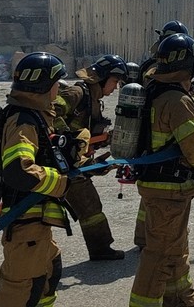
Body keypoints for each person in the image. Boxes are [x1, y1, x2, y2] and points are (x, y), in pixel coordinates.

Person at [129, 33, 194, 307]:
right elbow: (193, 145)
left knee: (175, 248)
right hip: (169, 188)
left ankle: (179, 297)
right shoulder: (176, 101)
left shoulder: (154, 89)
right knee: (159, 255)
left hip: (160, 185)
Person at [0, 52, 81, 307]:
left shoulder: (35, 115)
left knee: (48, 275)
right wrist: (61, 182)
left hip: (35, 224)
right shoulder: (23, 121)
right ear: (43, 85)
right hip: (24, 224)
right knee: (20, 293)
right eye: (57, 82)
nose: (59, 88)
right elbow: (18, 170)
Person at [54, 54, 128, 261]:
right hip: (60, 165)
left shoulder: (94, 100)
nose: (115, 88)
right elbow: (50, 112)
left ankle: (100, 248)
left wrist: (107, 139)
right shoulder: (77, 92)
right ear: (102, 78)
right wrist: (66, 140)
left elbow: (85, 134)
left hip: (74, 163)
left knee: (90, 207)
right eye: (114, 82)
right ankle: (100, 249)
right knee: (89, 207)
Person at [133, 20, 190, 250]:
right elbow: (167, 96)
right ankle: (153, 239)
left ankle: (144, 238)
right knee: (159, 188)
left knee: (150, 192)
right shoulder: (156, 68)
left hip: (147, 132)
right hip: (158, 133)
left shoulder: (153, 63)